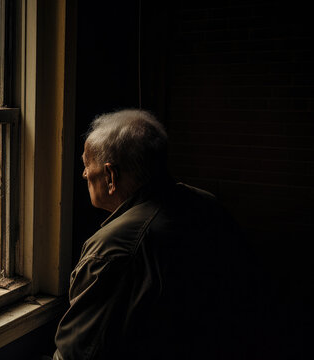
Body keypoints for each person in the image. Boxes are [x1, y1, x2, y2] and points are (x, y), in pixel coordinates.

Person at [53, 109, 263, 359]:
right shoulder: (207, 204)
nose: (85, 174)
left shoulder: (111, 249)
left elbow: (77, 352)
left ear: (111, 176)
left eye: (87, 164)